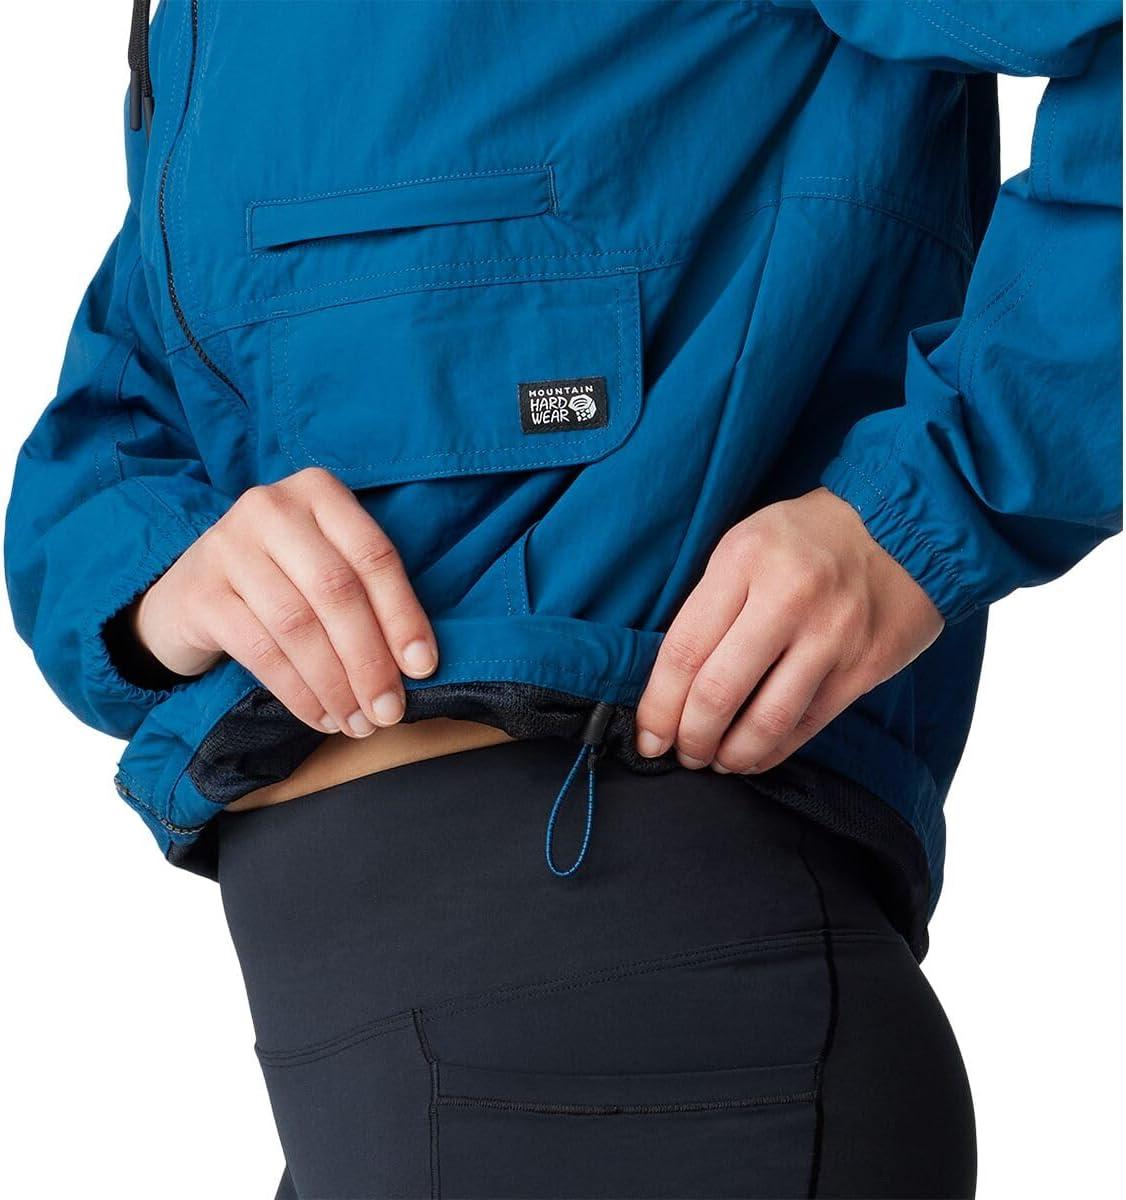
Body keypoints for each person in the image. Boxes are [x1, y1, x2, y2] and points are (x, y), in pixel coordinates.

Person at [5, 2, 1121, 1197]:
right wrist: (169, 584)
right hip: (370, 1078)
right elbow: (121, 406)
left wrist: (926, 507)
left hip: (658, 1040)